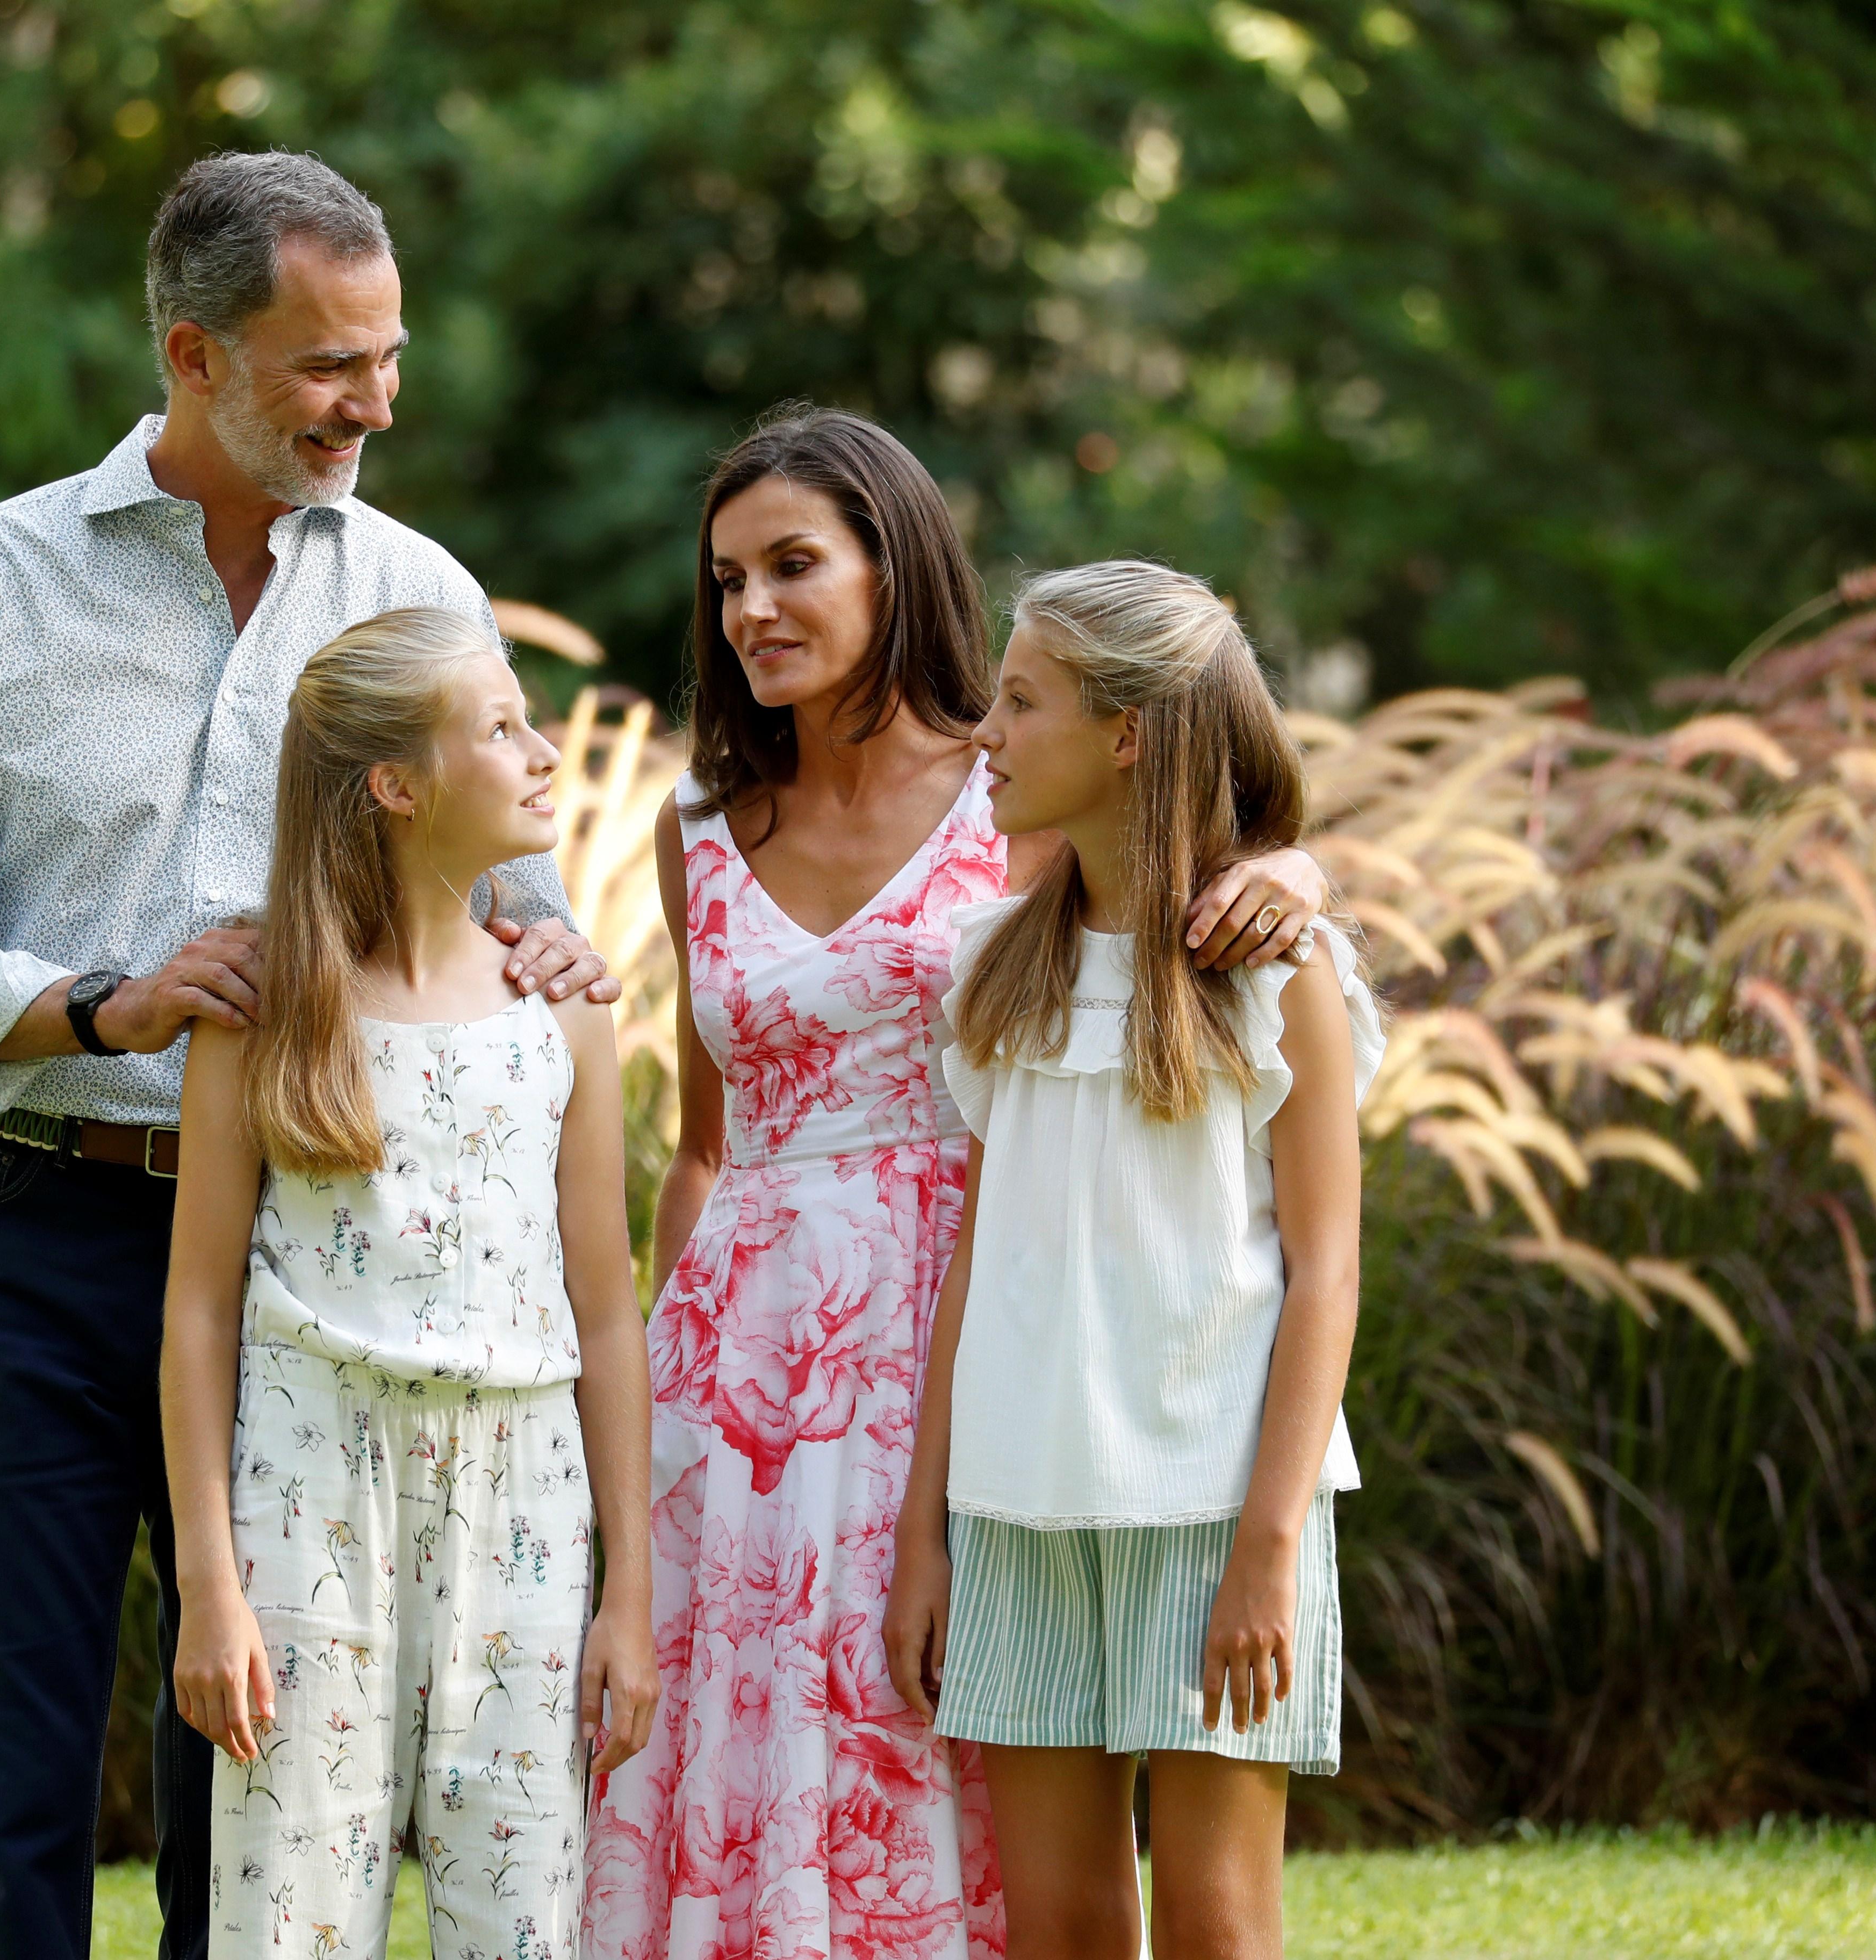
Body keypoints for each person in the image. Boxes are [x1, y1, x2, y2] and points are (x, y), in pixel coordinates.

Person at [0, 153, 614, 1960]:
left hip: (311, 1259)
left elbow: (508, 898)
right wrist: (106, 1002)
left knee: (260, 1785)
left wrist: (550, 941)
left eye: (390, 354)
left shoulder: (418, 587)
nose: (377, 400)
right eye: (330, 363)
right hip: (30, 1222)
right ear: (196, 351)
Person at [583, 409, 1326, 1960]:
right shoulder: (700, 826)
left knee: (942, 1769)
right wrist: (663, 1386)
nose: (752, 611)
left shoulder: (1014, 799)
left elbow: (1190, 861)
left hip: (991, 1332)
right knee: (748, 1752)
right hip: (744, 1368)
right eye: (725, 582)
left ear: (893, 565)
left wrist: (1299, 870)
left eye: (794, 565)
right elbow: (704, 1141)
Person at [885, 561, 1382, 1960]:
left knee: (1219, 1925)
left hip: (1217, 1511)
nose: (987, 732)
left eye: (1023, 700)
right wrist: (929, 1535)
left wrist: (1270, 1554)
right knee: (1064, 1928)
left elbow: (1326, 1278)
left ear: (1127, 738)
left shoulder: (1284, 978)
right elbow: (975, 1269)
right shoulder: (993, 968)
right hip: (1018, 1508)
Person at [157, 607, 658, 1960]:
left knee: (524, 1909)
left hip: (528, 1499)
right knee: (289, 1913)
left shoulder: (558, 1012)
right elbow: (199, 1307)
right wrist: (212, 1583)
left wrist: (632, 1592)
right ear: (396, 785)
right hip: (311, 1489)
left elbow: (607, 1313)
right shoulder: (262, 1015)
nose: (546, 752)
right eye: (502, 729)